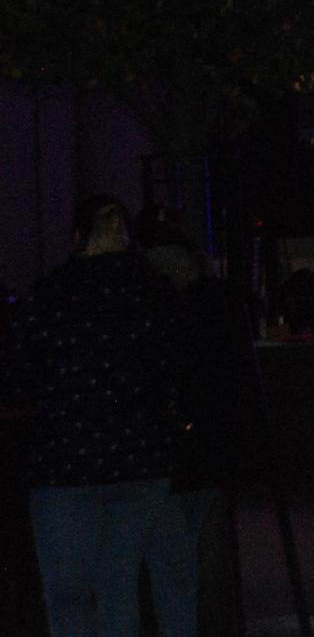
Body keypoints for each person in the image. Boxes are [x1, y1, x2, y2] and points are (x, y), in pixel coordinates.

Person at [4, 197, 180, 637]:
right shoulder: (155, 291)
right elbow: (179, 370)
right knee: (117, 587)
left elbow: (15, 376)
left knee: (68, 594)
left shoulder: (50, 294)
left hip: (67, 463)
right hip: (142, 461)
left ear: (77, 239)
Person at [135, 208, 243, 637]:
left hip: (176, 445)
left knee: (175, 551)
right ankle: (208, 626)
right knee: (201, 548)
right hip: (207, 442)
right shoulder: (213, 301)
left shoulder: (161, 305)